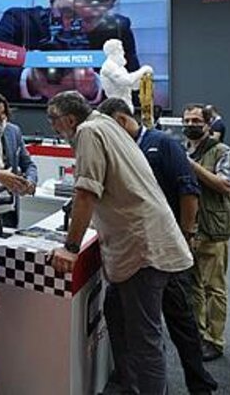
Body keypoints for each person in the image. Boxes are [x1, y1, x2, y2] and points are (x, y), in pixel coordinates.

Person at [47, 91, 192, 394]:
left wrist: (70, 247)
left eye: (53, 120)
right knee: (116, 314)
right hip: (148, 239)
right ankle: (131, 386)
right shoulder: (106, 124)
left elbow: (86, 192)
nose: (52, 127)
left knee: (144, 340)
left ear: (69, 119)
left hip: (141, 248)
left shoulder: (89, 131)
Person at [98, 98, 218, 394]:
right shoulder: (120, 147)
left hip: (167, 245)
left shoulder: (162, 144)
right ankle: (130, 382)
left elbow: (188, 191)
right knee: (123, 314)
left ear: (122, 121)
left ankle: (199, 383)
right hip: (137, 248)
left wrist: (187, 235)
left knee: (179, 318)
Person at [0, 0, 142, 102]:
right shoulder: (19, 20)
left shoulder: (117, 30)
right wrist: (30, 80)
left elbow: (135, 92)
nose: (70, 26)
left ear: (108, 11)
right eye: (67, 13)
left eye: (88, 20)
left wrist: (95, 89)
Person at [184, 103, 230, 362]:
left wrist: (191, 166)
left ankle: (215, 340)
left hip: (214, 228)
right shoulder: (185, 149)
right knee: (193, 284)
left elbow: (225, 185)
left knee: (214, 287)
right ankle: (198, 332)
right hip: (190, 229)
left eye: (196, 121)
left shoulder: (222, 152)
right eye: (187, 121)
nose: (191, 125)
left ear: (208, 124)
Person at [0, 88, 37, 229]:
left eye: (3, 113)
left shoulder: (13, 131)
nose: (1, 119)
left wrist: (30, 181)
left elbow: (28, 164)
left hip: (10, 209)